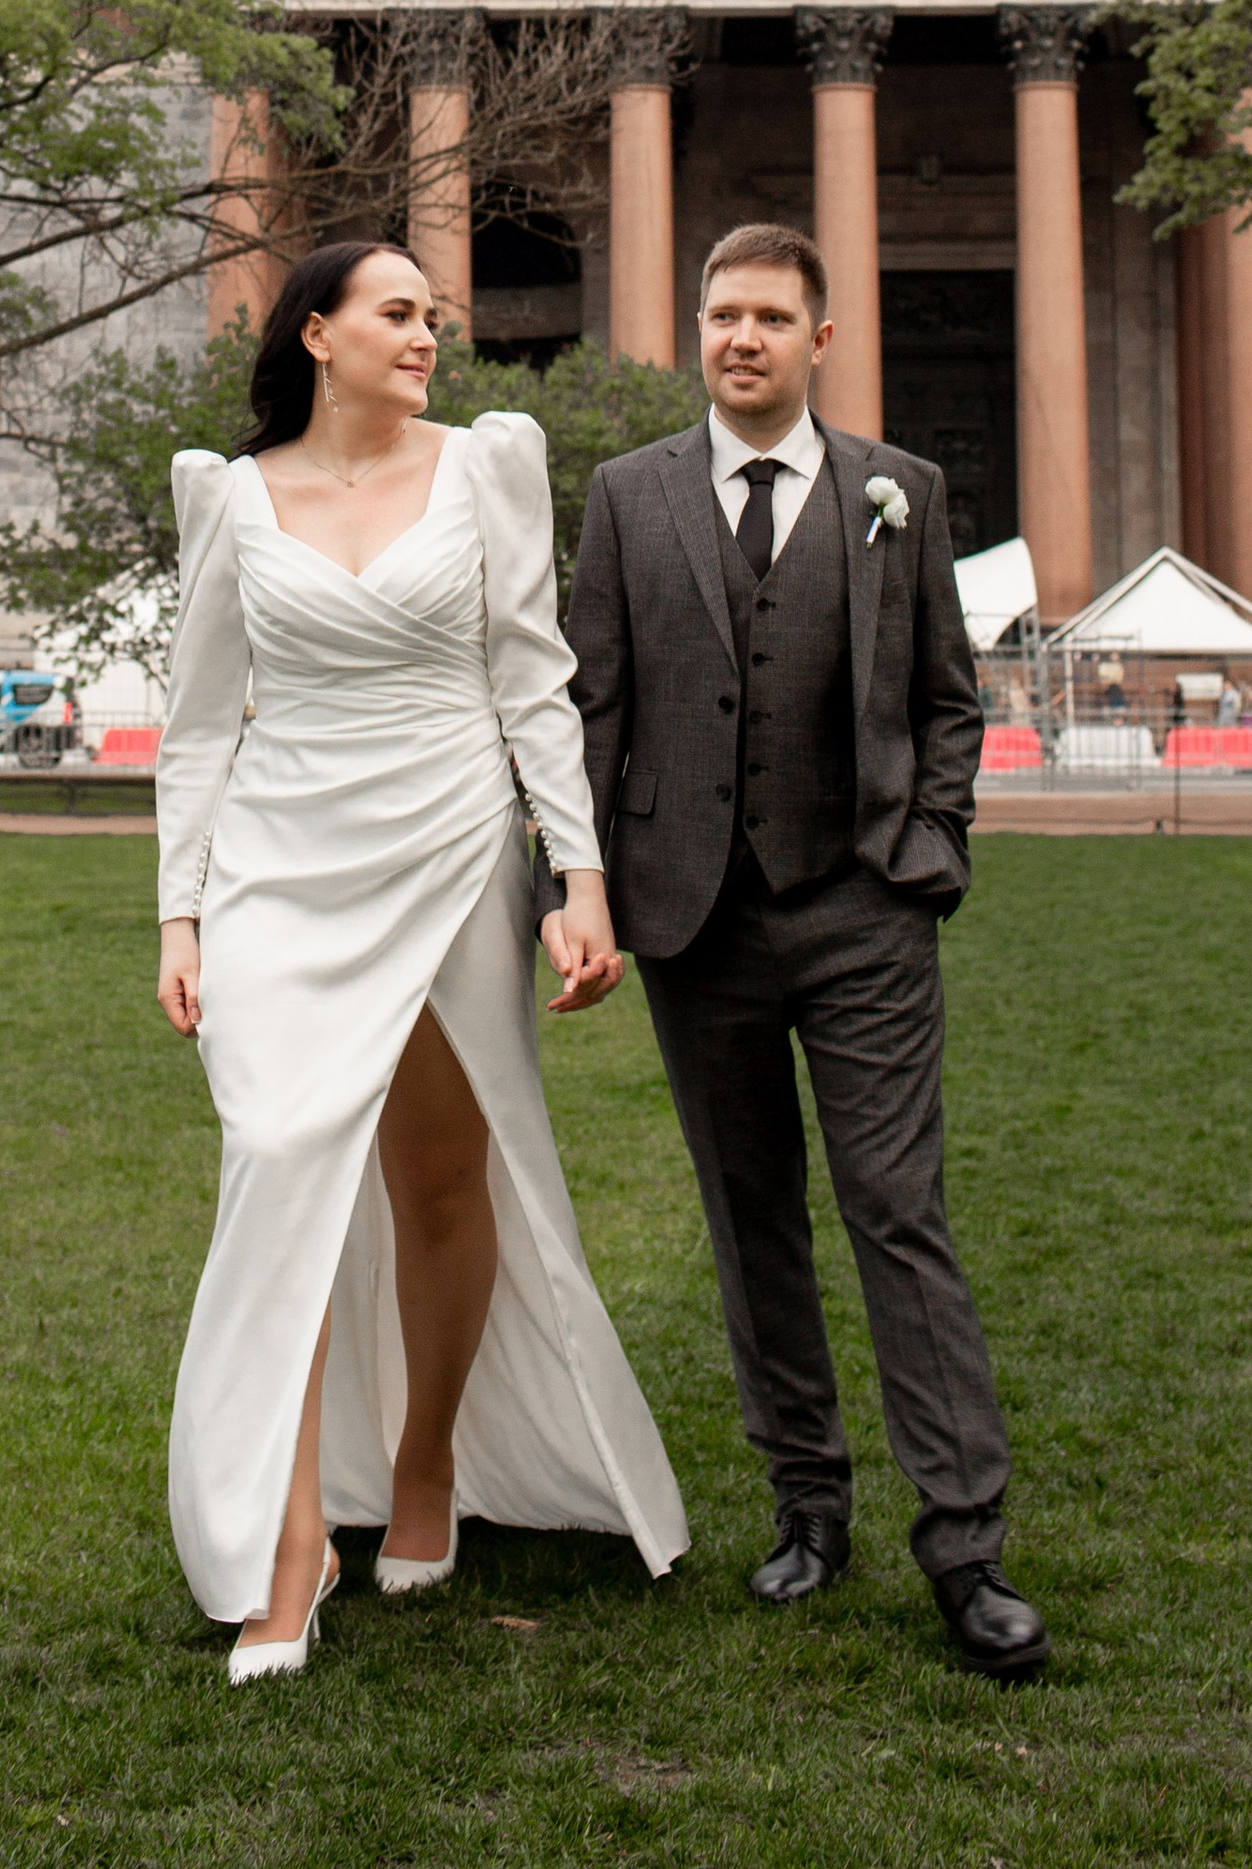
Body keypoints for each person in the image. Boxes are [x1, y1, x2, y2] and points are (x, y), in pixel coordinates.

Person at [155, 239, 687, 1683]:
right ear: (317, 334)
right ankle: (284, 1551)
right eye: (399, 314)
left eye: (433, 318)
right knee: (281, 1158)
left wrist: (577, 876)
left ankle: (427, 1464)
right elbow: (201, 722)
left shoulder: (490, 465)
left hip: (453, 847)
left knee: (441, 1174)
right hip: (280, 863)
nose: (428, 335)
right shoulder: (228, 495)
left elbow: (532, 675)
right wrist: (179, 913)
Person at [562, 221, 1048, 1683]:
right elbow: (590, 710)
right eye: (722, 316)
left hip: (863, 910)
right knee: (751, 1219)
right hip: (692, 919)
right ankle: (808, 1503)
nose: (743, 339)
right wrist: (573, 883)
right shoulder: (627, 499)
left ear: (819, 341)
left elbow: (949, 698)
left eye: (771, 316)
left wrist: (930, 853)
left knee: (898, 1211)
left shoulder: (903, 493)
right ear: (698, 331)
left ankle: (965, 1547)